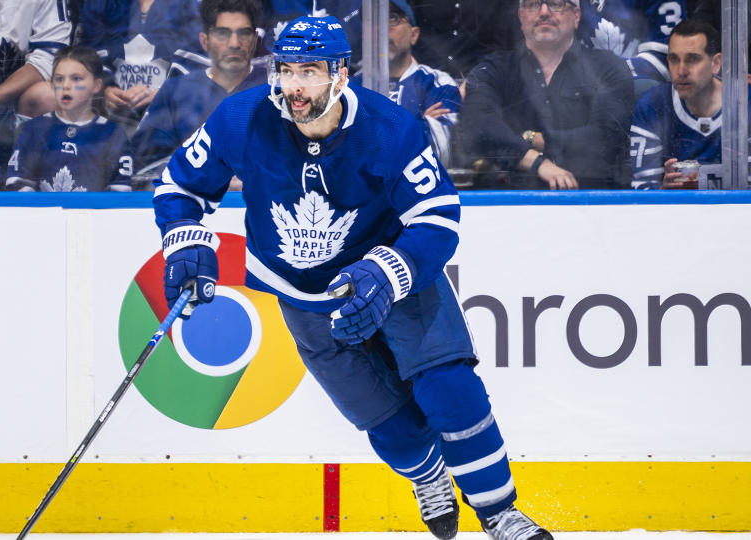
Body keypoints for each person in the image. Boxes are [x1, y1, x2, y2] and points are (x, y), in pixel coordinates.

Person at [151, 16, 554, 540]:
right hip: (301, 297)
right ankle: (428, 474)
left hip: (393, 281)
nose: (294, 86)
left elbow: (436, 217)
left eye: (310, 72)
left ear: (340, 75)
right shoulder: (240, 119)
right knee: (391, 427)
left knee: (450, 390)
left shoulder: (390, 128)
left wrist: (392, 271)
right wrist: (183, 237)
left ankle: (500, 513)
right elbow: (179, 185)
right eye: (286, 70)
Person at [459, 0, 634, 189]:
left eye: (555, 4)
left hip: (592, 201)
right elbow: (478, 125)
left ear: (576, 16)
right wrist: (536, 162)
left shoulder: (608, 68)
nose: (544, 12)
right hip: (509, 203)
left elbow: (606, 138)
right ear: (521, 16)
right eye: (533, 4)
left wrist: (533, 139)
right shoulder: (492, 70)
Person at [130, 0, 266, 176]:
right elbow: (145, 166)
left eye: (244, 34)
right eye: (222, 33)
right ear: (205, 41)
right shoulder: (176, 91)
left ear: (255, 40)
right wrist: (209, 176)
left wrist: (254, 177)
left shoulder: (275, 89)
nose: (234, 43)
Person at [629, 19, 751, 189]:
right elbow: (642, 192)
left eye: (692, 59)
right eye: (674, 59)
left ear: (716, 63)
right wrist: (663, 191)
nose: (681, 71)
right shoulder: (652, 105)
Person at [5, 46, 134, 191]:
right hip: (42, 213)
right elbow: (18, 185)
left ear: (97, 86)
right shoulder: (34, 129)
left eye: (76, 79)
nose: (65, 86)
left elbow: (119, 194)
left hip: (93, 213)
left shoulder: (112, 134)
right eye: (59, 79)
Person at [351, 0, 461, 167]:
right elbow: (342, 151)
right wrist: (420, 124)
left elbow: (442, 151)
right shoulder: (348, 89)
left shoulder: (438, 84)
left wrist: (368, 129)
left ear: (414, 34)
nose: (380, 28)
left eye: (393, 18)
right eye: (372, 21)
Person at [79, 0, 203, 136]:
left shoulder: (189, 6)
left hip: (170, 119)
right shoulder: (101, 4)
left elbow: (201, 59)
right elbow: (88, 52)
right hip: (109, 118)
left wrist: (166, 92)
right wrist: (105, 89)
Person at [577, 0, 685, 90]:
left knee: (643, 87)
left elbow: (666, 55)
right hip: (578, 83)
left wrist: (615, 72)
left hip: (637, 83)